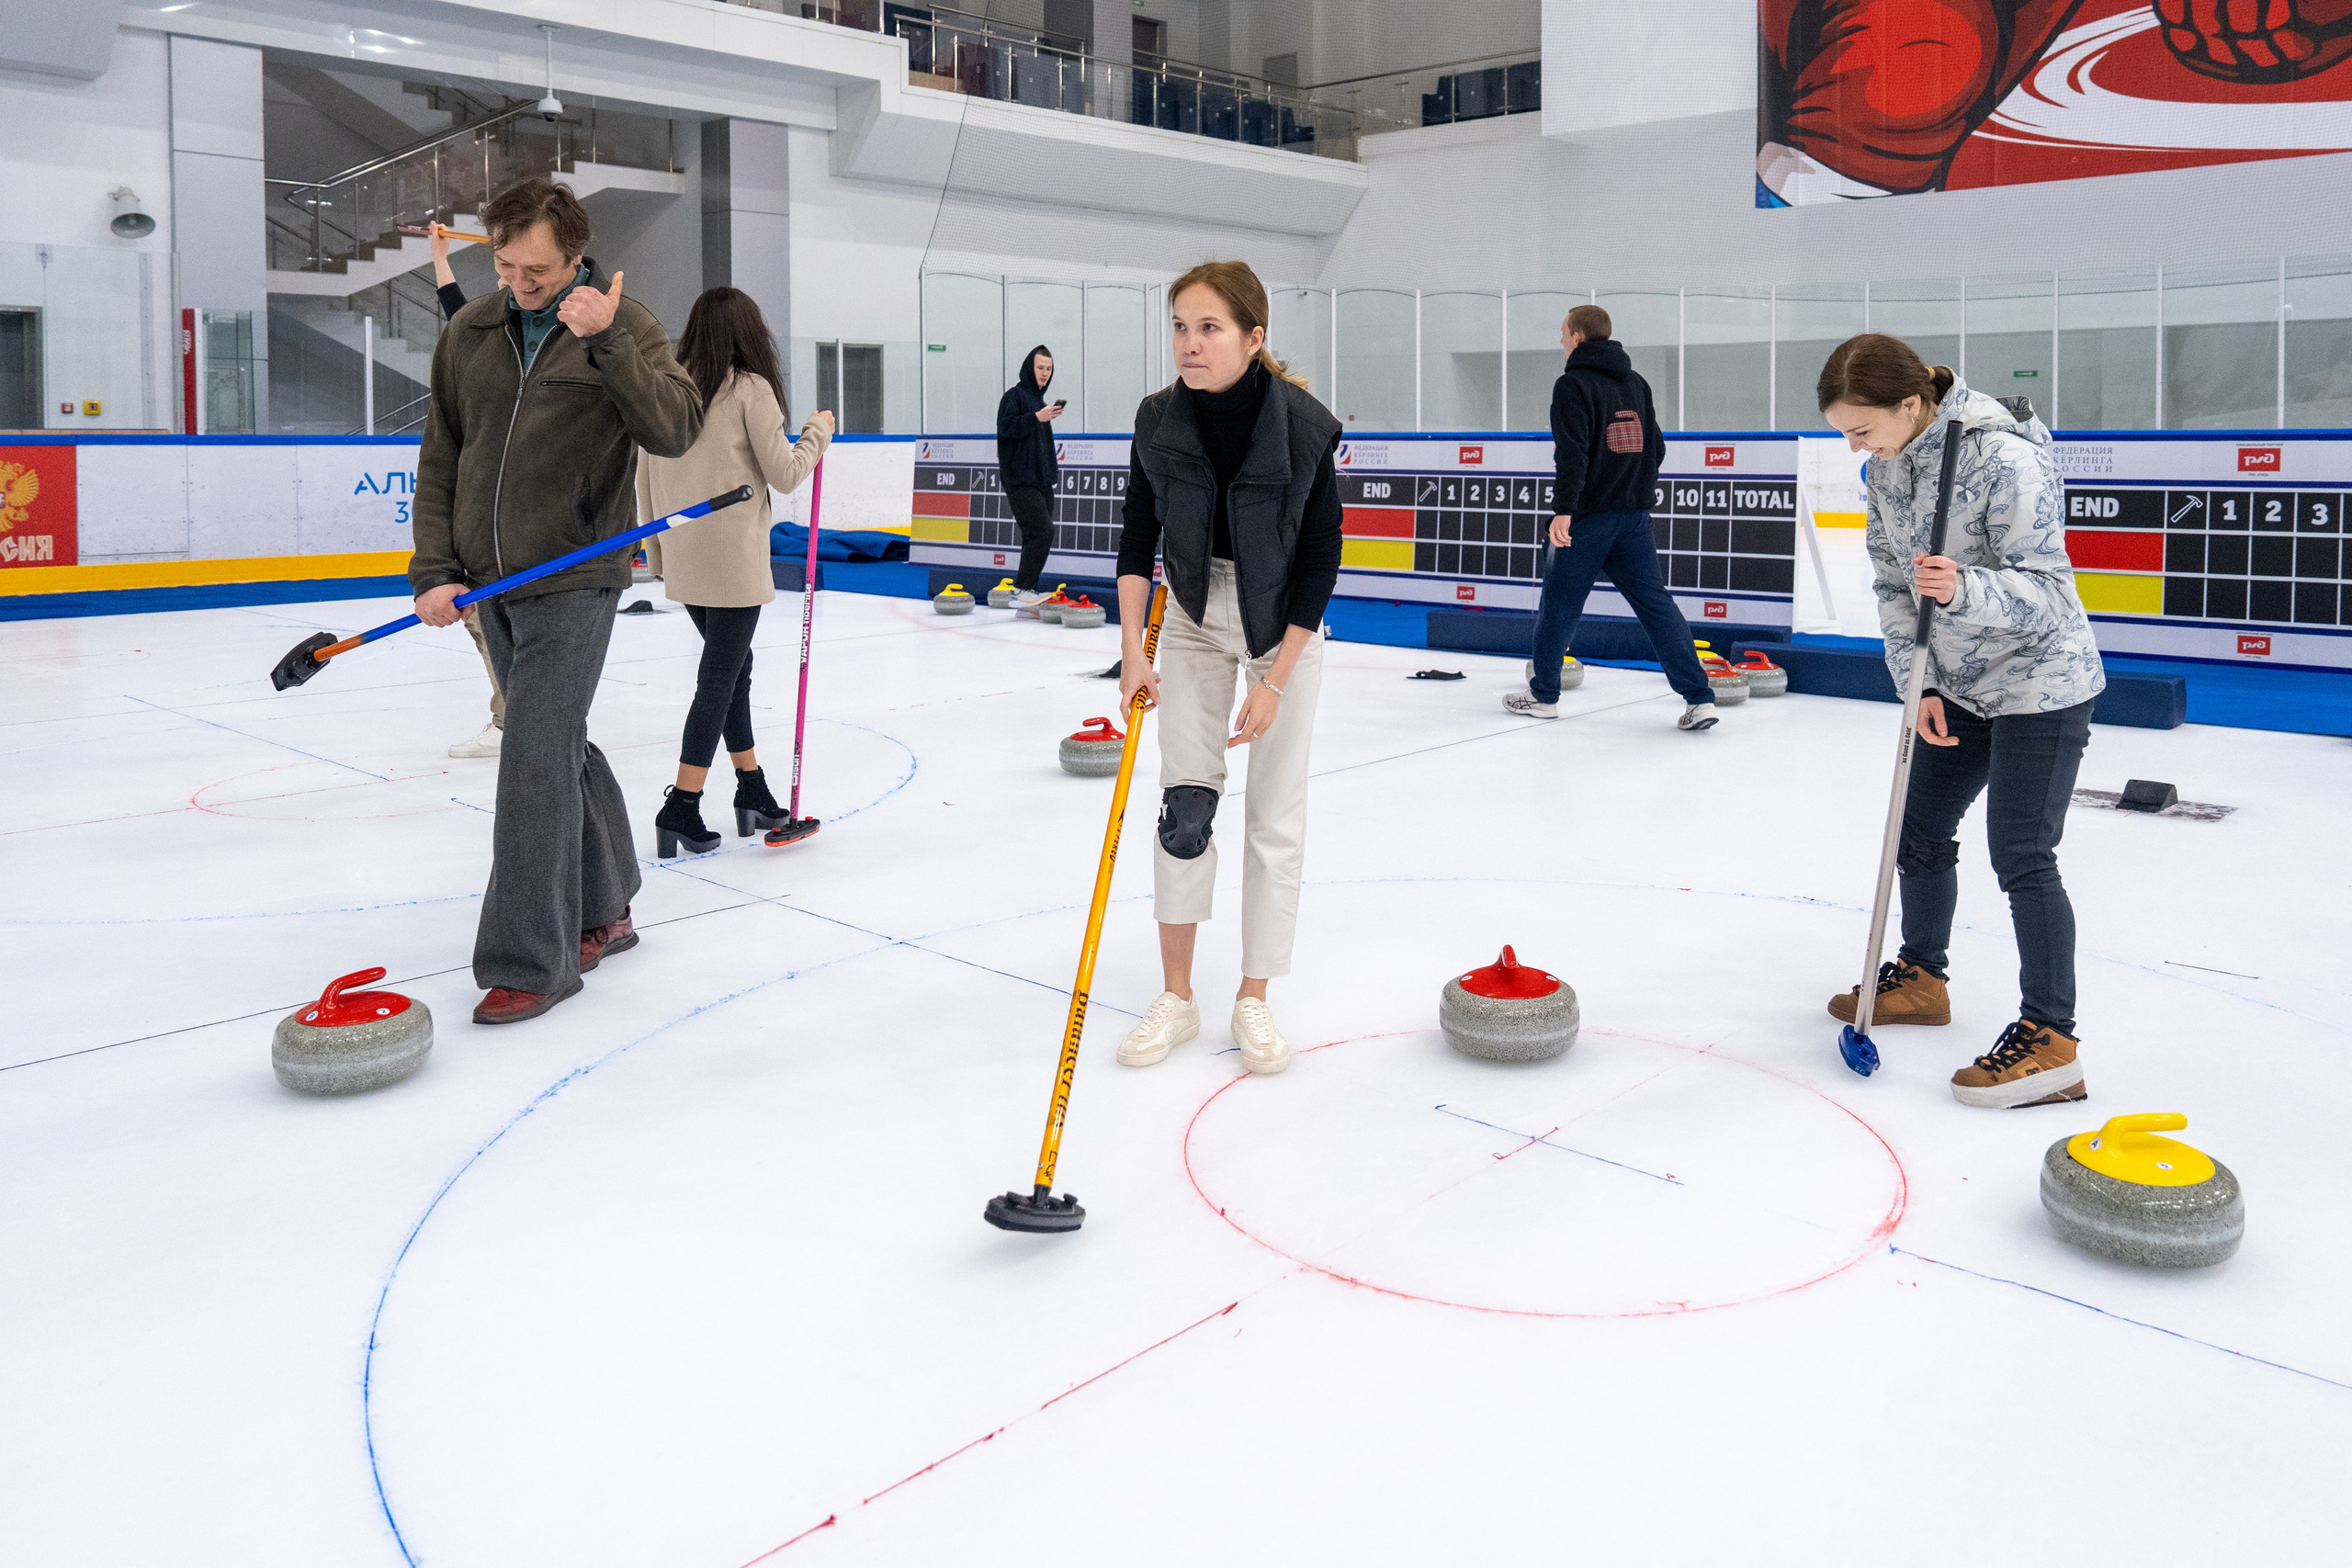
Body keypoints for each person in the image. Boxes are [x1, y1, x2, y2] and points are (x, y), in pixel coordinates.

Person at [408, 176, 703, 1026]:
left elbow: (675, 430)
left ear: (575, 256)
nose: (520, 282)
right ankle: (608, 906)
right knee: (558, 742)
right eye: (506, 263)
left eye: (537, 269)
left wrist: (609, 343)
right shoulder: (469, 332)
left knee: (532, 754)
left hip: (575, 577)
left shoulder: (623, 320)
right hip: (487, 584)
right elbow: (442, 458)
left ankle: (529, 961)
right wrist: (434, 569)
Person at [1816, 333, 2105, 1109]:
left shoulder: (2006, 461)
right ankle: (1922, 978)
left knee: (2021, 853)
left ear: (1911, 404)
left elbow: (2048, 593)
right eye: (1845, 431)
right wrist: (1921, 684)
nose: (1855, 446)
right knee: (1918, 828)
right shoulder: (1885, 466)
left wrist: (1964, 588)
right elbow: (1887, 581)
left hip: (2042, 681)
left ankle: (2053, 1041)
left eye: (1863, 429)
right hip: (1956, 683)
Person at [1110, 261, 1341, 1077]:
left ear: (1254, 337)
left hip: (1282, 626)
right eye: (1180, 326)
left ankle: (1254, 995)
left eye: (1209, 327)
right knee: (1185, 806)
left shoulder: (1306, 428)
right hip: (1193, 618)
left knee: (1275, 817)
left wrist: (1276, 680)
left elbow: (1320, 561)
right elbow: (1137, 536)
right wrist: (1135, 646)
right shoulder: (1157, 420)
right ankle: (1177, 995)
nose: (1190, 344)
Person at [635, 287, 834, 857]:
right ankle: (682, 805)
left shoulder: (668, 386)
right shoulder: (750, 388)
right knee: (720, 678)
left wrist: (658, 556)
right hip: (733, 560)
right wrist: (818, 430)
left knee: (733, 670)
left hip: (686, 557)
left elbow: (645, 478)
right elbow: (788, 472)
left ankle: (752, 789)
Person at [1506, 305, 1717, 730]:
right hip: (1634, 518)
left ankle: (1544, 696)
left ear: (1579, 337)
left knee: (1559, 608)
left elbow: (1572, 453)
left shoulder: (1572, 385)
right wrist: (1632, 485)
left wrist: (1563, 510)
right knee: (1657, 607)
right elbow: (1654, 448)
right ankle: (1700, 699)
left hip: (1588, 520)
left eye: (1563, 332)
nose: (1560, 340)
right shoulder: (1636, 383)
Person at [423, 220, 507, 762]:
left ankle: (510, 719)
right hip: (482, 513)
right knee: (485, 624)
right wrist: (439, 257)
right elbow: (459, 314)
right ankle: (510, 715)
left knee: (495, 625)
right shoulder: (484, 339)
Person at [995, 344, 1064, 613]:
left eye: (1049, 369)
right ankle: (1023, 589)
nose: (1045, 373)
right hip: (1020, 481)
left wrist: (1050, 476)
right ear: (1029, 368)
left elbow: (1041, 445)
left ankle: (1027, 591)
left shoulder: (1040, 403)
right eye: (1040, 368)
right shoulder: (1014, 396)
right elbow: (1006, 427)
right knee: (1042, 531)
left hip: (1042, 481)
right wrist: (1036, 417)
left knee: (1034, 536)